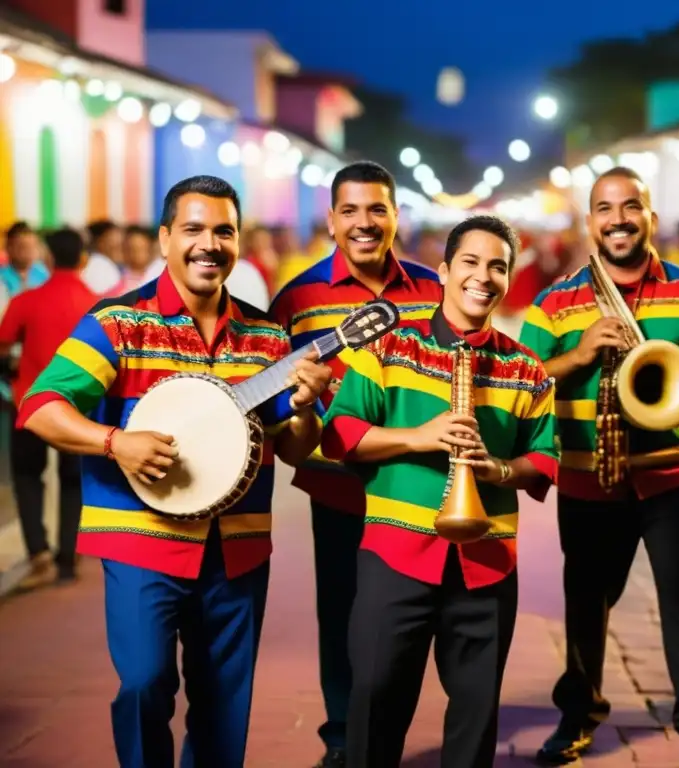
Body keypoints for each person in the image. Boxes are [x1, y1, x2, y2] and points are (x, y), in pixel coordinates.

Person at [17, 175, 333, 768]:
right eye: (192, 229)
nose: (208, 244)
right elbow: (41, 407)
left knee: (223, 703)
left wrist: (305, 407)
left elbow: (294, 449)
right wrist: (115, 442)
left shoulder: (267, 338)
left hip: (236, 547)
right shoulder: (119, 322)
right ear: (164, 239)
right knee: (143, 682)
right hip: (142, 544)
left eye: (224, 231)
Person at [519, 167, 679, 768]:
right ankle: (576, 718)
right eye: (604, 208)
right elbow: (520, 385)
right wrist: (580, 353)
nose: (617, 219)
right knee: (586, 601)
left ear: (649, 215)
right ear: (589, 220)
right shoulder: (553, 304)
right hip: (587, 476)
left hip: (675, 474)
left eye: (630, 207)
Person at [322, 214, 558, 767]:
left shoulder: (527, 369)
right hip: (395, 557)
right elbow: (340, 434)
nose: (484, 277)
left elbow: (545, 461)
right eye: (471, 263)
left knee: (476, 722)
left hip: (487, 563)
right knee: (376, 702)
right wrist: (417, 437)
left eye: (498, 267)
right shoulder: (388, 347)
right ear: (446, 271)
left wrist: (498, 469)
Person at [269, 160, 442, 768]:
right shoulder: (296, 299)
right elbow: (272, 395)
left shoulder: (434, 291)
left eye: (377, 210)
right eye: (351, 211)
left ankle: (386, 730)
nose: (365, 223)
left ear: (397, 216)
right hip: (337, 485)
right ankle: (342, 737)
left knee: (413, 619)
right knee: (340, 612)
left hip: (417, 485)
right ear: (332, 219)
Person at [0, 227, 96, 588]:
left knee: (27, 478)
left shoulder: (27, 301)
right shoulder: (97, 304)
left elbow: (3, 342)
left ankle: (39, 552)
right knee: (73, 481)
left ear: (49, 258)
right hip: (78, 407)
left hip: (30, 405)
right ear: (83, 259)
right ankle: (68, 558)